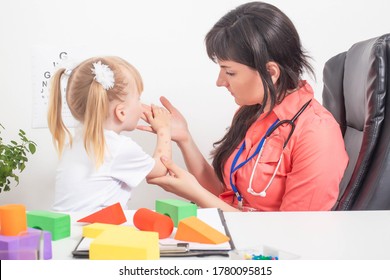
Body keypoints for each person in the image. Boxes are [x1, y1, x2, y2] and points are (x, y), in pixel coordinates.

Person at [139, 2, 348, 212]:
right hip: (235, 235)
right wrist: (185, 139)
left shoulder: (316, 133)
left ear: (271, 72)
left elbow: (295, 231)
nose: (220, 82)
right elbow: (226, 195)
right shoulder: (251, 113)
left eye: (230, 72)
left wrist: (194, 193)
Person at [47, 56, 171, 212]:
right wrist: (164, 129)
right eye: (139, 99)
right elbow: (160, 170)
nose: (141, 105)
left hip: (67, 229)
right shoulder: (119, 147)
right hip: (97, 231)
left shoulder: (75, 142)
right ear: (121, 112)